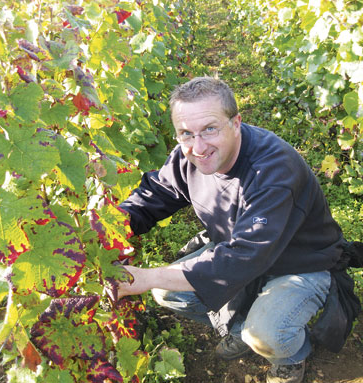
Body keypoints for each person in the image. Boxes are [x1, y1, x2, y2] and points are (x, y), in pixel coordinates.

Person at [116, 76, 347, 383]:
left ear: (236, 122)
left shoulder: (273, 170)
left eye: (210, 129)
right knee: (168, 293)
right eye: (186, 133)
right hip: (240, 250)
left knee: (266, 333)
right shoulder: (189, 155)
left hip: (299, 264)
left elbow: (243, 257)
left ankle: (291, 355)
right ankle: (240, 326)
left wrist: (147, 276)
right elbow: (155, 194)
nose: (198, 147)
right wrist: (109, 228)